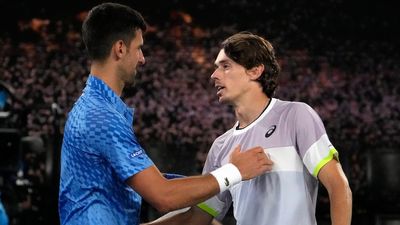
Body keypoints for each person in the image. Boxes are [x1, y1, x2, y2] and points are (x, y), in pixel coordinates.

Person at [58, 3, 273, 225]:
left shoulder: (95, 108)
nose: (142, 59)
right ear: (120, 49)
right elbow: (163, 196)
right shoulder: (100, 117)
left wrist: (193, 217)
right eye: (139, 48)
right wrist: (234, 171)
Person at [144, 32, 352, 225]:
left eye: (225, 66)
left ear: (255, 71)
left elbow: (338, 186)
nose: (214, 75)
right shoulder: (221, 146)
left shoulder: (295, 115)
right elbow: (197, 217)